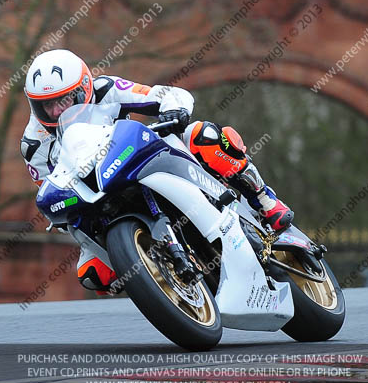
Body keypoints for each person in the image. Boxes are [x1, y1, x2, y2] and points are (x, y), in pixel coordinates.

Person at [20, 49, 293, 292]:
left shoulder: (106, 89)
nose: (56, 111)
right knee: (94, 275)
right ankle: (161, 278)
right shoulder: (34, 145)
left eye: (65, 101)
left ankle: (265, 200)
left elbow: (164, 95)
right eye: (47, 105)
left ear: (84, 88)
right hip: (97, 196)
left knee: (203, 135)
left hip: (136, 158)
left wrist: (174, 110)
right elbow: (52, 186)